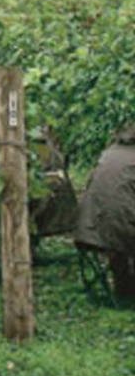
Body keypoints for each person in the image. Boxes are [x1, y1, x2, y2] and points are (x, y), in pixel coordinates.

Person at [74, 125, 135, 298]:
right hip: (119, 232)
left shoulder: (109, 153)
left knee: (117, 220)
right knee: (122, 224)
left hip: (88, 230)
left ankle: (124, 287)